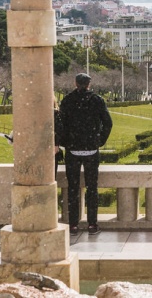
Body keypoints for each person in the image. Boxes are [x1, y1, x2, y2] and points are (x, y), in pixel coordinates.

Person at [59, 73, 113, 237]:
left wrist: (66, 142)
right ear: (89, 84)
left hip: (73, 150)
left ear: (75, 83)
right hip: (91, 150)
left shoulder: (67, 100)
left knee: (73, 189)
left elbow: (60, 125)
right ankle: (92, 224)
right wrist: (99, 141)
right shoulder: (97, 100)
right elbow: (108, 123)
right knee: (92, 188)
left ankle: (74, 224)